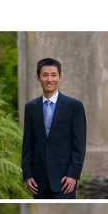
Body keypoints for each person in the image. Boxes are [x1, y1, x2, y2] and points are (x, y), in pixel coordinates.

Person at [21, 58, 87, 199]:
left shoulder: (74, 106)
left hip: (65, 180)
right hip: (38, 181)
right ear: (38, 77)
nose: (49, 79)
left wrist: (73, 174)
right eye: (45, 75)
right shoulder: (30, 108)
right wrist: (27, 175)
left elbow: (79, 144)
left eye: (53, 75)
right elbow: (27, 143)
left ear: (60, 77)